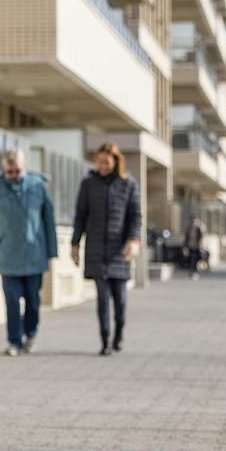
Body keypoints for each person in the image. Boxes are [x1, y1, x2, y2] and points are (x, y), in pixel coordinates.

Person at [0, 148, 57, 356]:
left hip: (34, 254)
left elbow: (48, 220)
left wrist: (52, 251)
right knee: (12, 301)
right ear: (4, 170)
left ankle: (30, 334)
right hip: (7, 255)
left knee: (33, 300)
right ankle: (14, 341)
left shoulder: (37, 187)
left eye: (17, 171)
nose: (14, 176)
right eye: (10, 172)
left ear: (25, 168)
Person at [71, 142, 142, 355]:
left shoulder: (127, 184)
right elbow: (80, 215)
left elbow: (135, 216)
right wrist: (75, 244)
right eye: (100, 161)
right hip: (96, 249)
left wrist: (134, 240)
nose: (103, 165)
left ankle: (119, 333)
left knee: (120, 300)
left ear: (115, 161)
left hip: (119, 251)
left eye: (107, 161)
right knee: (102, 297)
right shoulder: (88, 184)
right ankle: (105, 340)